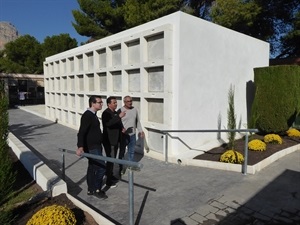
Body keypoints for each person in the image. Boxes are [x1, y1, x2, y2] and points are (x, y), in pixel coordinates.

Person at [76, 95, 107, 199]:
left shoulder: (93, 115)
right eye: (99, 102)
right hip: (92, 147)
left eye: (101, 102)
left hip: (96, 146)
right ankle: (97, 189)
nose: (101, 104)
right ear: (93, 103)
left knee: (92, 167)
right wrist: (80, 146)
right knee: (102, 167)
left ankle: (90, 189)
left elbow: (93, 132)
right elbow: (81, 132)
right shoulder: (87, 115)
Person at [102, 96, 126, 187]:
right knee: (110, 160)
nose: (116, 104)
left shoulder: (115, 112)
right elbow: (108, 124)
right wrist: (119, 116)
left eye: (116, 102)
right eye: (114, 103)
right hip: (109, 140)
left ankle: (110, 175)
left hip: (116, 140)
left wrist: (122, 128)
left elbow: (117, 122)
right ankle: (108, 181)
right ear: (109, 104)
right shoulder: (106, 113)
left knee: (112, 159)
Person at [118, 96, 144, 175]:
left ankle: (131, 166)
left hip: (132, 134)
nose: (130, 102)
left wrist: (141, 131)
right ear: (124, 102)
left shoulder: (135, 110)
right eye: (128, 101)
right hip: (123, 135)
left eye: (131, 101)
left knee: (131, 151)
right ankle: (121, 168)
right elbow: (117, 122)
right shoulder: (120, 110)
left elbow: (137, 121)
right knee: (122, 152)